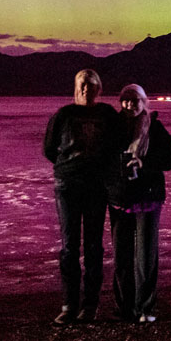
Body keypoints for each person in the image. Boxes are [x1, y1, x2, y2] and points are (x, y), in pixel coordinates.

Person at [43, 69, 117, 324]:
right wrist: (71, 168)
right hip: (68, 185)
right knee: (69, 246)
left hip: (96, 187)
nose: (87, 89)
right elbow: (49, 149)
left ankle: (90, 306)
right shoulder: (64, 115)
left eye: (92, 84)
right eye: (82, 84)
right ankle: (68, 305)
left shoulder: (107, 114)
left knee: (94, 247)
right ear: (76, 87)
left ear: (99, 89)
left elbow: (119, 143)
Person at [108, 84, 171, 323]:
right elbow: (103, 158)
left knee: (145, 256)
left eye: (135, 100)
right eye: (125, 100)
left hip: (148, 197)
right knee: (122, 255)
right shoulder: (113, 127)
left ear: (144, 102)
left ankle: (145, 308)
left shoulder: (154, 128)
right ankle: (125, 307)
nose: (130, 105)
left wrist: (144, 163)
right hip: (120, 197)